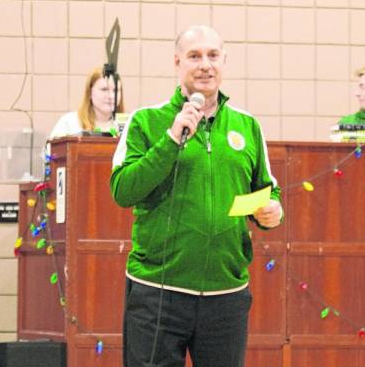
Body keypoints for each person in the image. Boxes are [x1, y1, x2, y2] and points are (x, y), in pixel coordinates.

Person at [110, 25, 283, 367]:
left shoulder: (248, 126)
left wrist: (271, 210)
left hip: (226, 295)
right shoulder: (147, 121)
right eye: (194, 56)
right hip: (157, 292)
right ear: (177, 63)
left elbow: (265, 187)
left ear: (224, 61)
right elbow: (123, 190)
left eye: (213, 55)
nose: (205, 64)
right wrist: (171, 140)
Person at [48, 67, 124, 139]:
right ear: (90, 93)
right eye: (104, 89)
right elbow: (49, 151)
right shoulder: (70, 123)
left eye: (116, 90)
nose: (111, 96)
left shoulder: (127, 126)